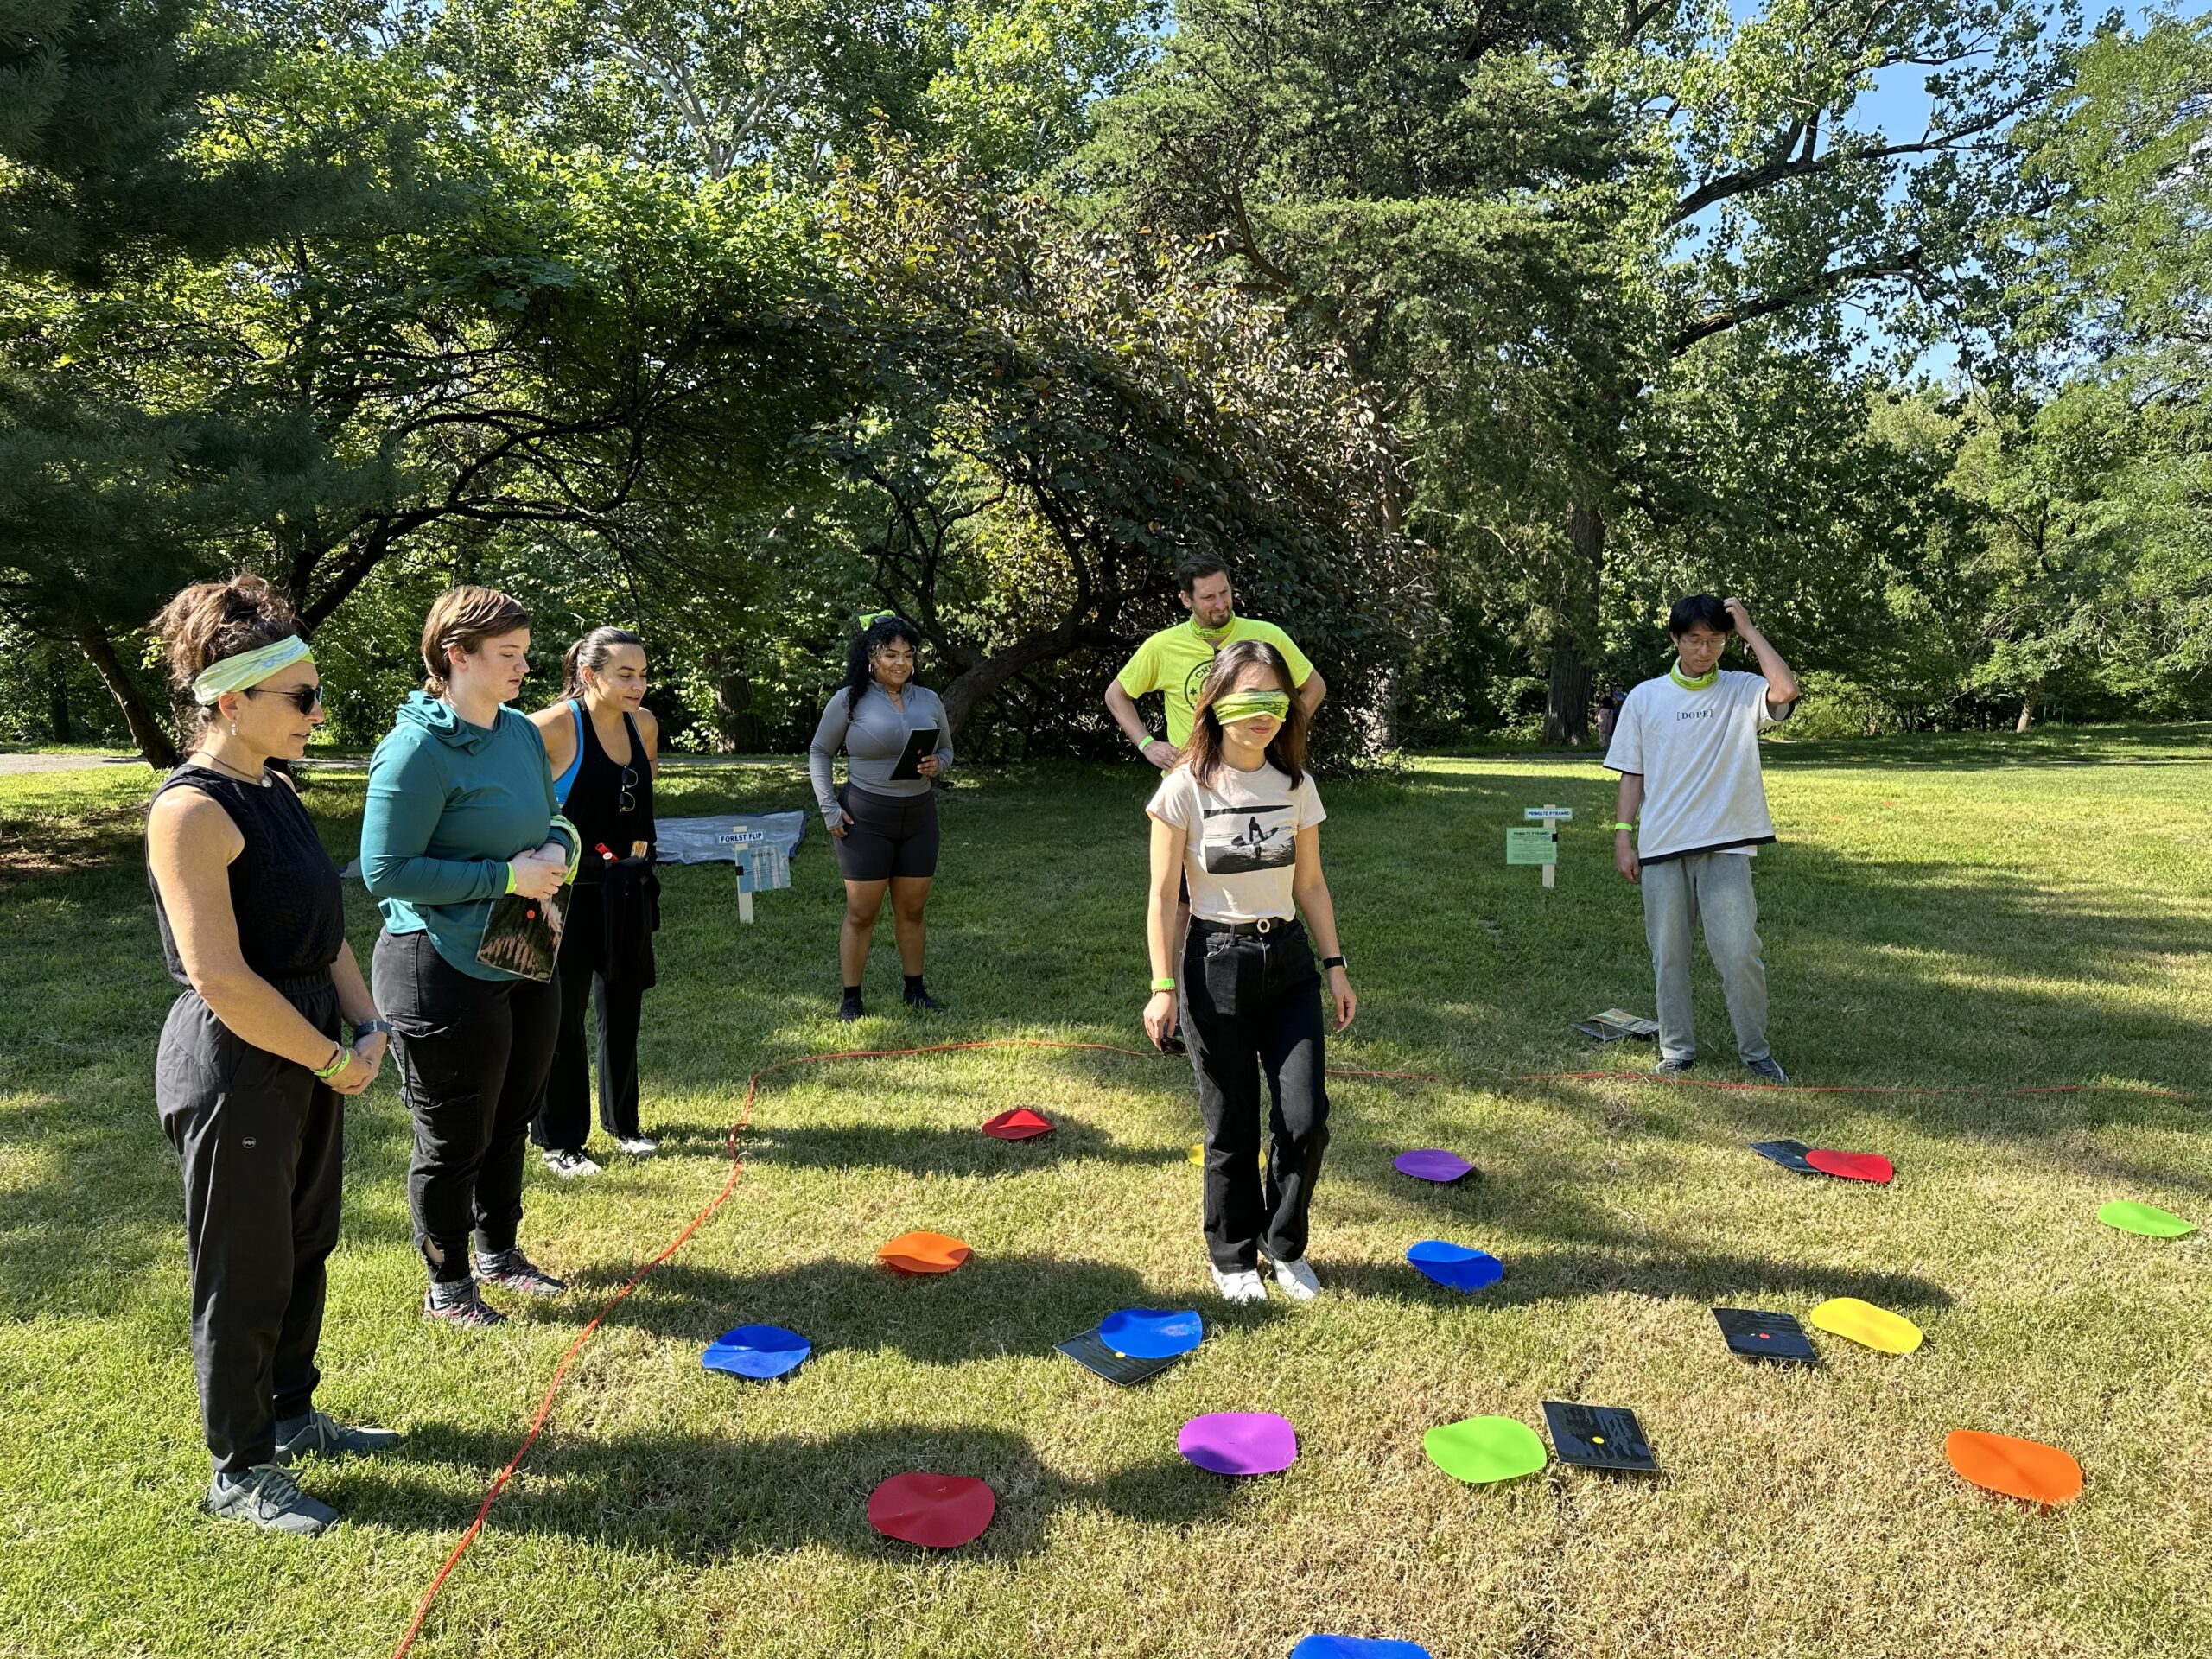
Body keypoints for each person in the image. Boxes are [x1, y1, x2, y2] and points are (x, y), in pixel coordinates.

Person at [145, 575, 398, 1537]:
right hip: (238, 1061)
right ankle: (241, 1468)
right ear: (230, 701)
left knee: (303, 1243)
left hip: (310, 1038)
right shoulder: (191, 812)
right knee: (243, 1268)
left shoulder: (276, 787)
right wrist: (330, 1059)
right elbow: (220, 976)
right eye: (300, 697)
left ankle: (292, 1415)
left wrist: (366, 1023)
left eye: (316, 694)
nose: (316, 713)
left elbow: (322, 931)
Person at [362, 586, 583, 1328]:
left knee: (514, 1113)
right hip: (440, 962)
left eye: (525, 653)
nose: (524, 668)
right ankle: (449, 1286)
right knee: (455, 1134)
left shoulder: (518, 731)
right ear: (456, 656)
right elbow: (385, 871)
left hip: (523, 943)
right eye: (508, 655)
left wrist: (558, 847)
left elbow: (551, 816)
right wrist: (505, 878)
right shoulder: (415, 750)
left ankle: (500, 1253)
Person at [1142, 639, 1357, 1306]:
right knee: (1230, 1126)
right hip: (1215, 964)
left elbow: (1311, 883)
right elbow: (1163, 897)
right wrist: (1162, 986)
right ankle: (1231, 1256)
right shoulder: (1184, 787)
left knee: (1305, 1118)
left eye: (1276, 699)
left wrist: (1335, 965)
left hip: (1288, 964)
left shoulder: (1295, 785)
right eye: (1249, 697)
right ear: (1216, 703)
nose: (1263, 713)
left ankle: (1283, 1245)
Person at [1106, 557, 1326, 1046]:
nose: (1219, 603)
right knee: (1182, 902)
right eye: (1207, 597)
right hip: (1194, 795)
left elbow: (1313, 686)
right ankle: (1178, 1003)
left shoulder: (1264, 636)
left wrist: (1277, 731)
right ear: (1186, 599)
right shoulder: (1163, 646)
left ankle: (1234, 1003)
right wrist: (1147, 743)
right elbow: (1117, 694)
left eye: (1224, 592)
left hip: (1253, 788)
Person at [1604, 594, 1800, 1083]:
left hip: (1727, 845)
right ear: (1675, 639)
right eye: (1694, 640)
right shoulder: (1646, 697)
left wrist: (1749, 630)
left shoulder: (1741, 689)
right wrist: (1623, 837)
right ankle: (1676, 1050)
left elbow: (1785, 689)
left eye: (1715, 641)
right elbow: (1632, 774)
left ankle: (1755, 1052)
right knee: (1669, 955)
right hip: (1662, 847)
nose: (1704, 650)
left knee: (1739, 953)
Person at [528, 627, 661, 1177]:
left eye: (643, 674)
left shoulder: (643, 723)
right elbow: (507, 793)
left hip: (626, 888)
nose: (638, 685)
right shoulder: (553, 725)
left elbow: (641, 796)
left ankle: (624, 1123)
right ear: (589, 675)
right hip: (564, 894)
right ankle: (559, 1141)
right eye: (625, 674)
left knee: (624, 1005)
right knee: (562, 1016)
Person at [809, 612, 955, 1020]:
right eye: (891, 654)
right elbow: (820, 752)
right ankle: (851, 999)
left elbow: (946, 750)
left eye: (908, 655)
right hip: (865, 819)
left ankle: (915, 990)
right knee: (862, 913)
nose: (901, 663)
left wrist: (938, 766)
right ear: (872, 657)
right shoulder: (848, 700)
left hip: (919, 818)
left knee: (912, 910)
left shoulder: (929, 699)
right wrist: (829, 808)